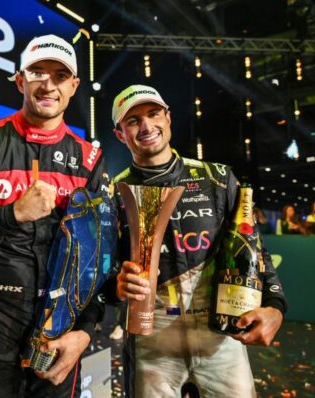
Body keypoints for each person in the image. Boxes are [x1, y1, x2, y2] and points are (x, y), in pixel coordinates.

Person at [0, 34, 107, 397]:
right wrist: (12, 214)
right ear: (20, 80)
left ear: (74, 86)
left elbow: (96, 262)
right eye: (37, 73)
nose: (48, 84)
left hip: (60, 335)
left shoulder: (89, 159)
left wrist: (84, 332)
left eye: (60, 76)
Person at [108, 84, 287, 398]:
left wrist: (275, 306)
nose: (147, 126)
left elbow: (254, 250)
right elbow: (102, 275)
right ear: (120, 133)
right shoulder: (112, 193)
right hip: (152, 342)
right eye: (133, 121)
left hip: (220, 339)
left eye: (153, 114)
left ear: (169, 117)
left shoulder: (215, 178)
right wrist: (116, 286)